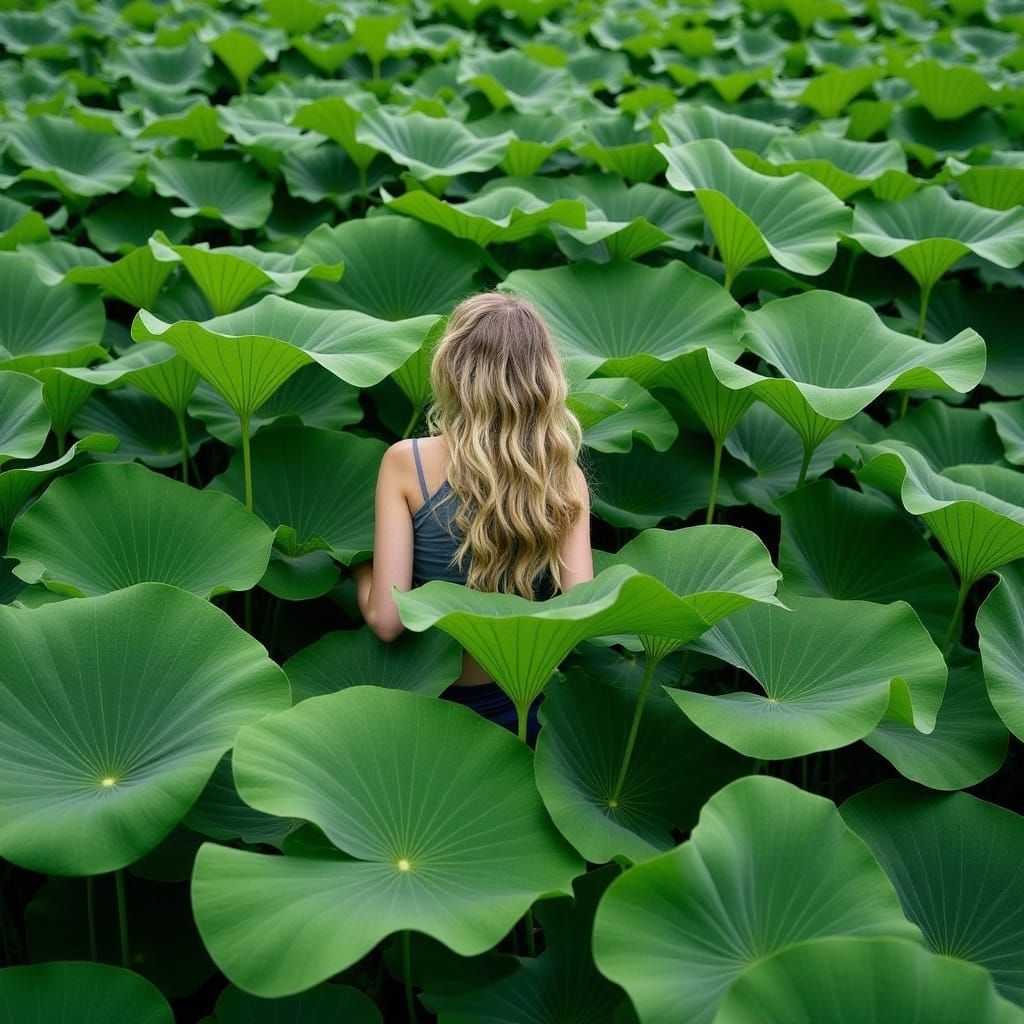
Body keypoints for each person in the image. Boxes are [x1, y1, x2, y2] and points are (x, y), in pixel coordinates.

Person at [353, 290, 594, 747]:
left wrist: (358, 571)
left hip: (432, 707)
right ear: (545, 377)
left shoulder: (407, 463)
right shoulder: (565, 478)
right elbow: (580, 612)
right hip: (528, 709)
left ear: (452, 369)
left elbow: (388, 621)